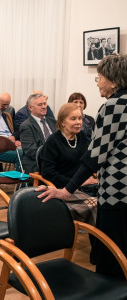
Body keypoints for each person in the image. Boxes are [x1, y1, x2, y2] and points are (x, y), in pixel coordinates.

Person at [37, 54, 127, 279]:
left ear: (113, 80)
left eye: (99, 78)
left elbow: (94, 157)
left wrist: (67, 190)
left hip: (118, 192)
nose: (97, 83)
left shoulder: (114, 106)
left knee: (114, 258)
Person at [20, 93, 56, 174]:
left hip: (56, 160)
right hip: (37, 162)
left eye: (45, 104)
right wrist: (54, 154)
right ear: (30, 107)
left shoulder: (53, 122)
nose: (44, 107)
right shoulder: (26, 126)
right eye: (40, 105)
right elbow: (31, 151)